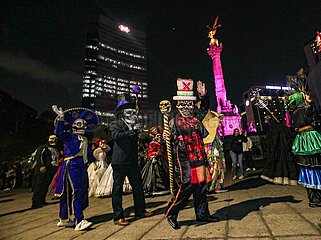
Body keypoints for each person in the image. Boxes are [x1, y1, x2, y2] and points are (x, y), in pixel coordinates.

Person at [164, 79, 219, 230]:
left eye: (189, 104)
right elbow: (168, 139)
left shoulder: (196, 117)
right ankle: (171, 213)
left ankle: (202, 215)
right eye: (183, 104)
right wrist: (166, 136)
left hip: (199, 157)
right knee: (186, 186)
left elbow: (205, 107)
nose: (187, 107)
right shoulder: (173, 121)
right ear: (178, 105)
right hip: (185, 160)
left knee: (201, 187)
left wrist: (203, 96)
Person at [52, 105, 99, 231]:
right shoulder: (69, 136)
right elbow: (58, 132)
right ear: (73, 125)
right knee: (76, 191)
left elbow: (88, 154)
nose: (82, 126)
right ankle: (79, 220)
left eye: (84, 124)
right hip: (72, 165)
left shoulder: (85, 139)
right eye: (79, 123)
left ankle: (65, 219)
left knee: (83, 190)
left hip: (82, 166)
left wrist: (94, 162)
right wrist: (61, 118)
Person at [110, 94, 152, 226]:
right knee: (117, 189)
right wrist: (132, 132)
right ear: (123, 114)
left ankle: (140, 210)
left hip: (132, 160)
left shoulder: (135, 126)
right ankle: (118, 216)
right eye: (129, 112)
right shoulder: (115, 124)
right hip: (120, 161)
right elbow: (115, 136)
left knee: (138, 187)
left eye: (133, 112)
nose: (133, 114)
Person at [288, 69, 321, 208]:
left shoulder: (294, 111)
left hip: (302, 140)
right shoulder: (305, 109)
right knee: (314, 167)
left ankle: (313, 199)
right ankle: (316, 198)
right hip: (310, 139)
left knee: (309, 169)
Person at [31, 135, 59, 209]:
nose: (54, 141)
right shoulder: (43, 147)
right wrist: (41, 165)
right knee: (39, 185)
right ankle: (36, 202)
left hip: (50, 170)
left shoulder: (55, 149)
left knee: (45, 185)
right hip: (42, 170)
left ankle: (42, 200)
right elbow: (39, 156)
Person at [202, 110, 227, 193]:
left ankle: (215, 186)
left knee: (216, 169)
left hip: (214, 154)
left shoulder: (215, 137)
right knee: (216, 169)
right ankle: (213, 187)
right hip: (213, 155)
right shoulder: (212, 140)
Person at [141, 126, 169, 196]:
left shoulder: (161, 143)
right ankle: (156, 187)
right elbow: (150, 153)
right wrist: (156, 154)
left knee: (163, 172)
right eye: (157, 136)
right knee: (155, 173)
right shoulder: (153, 143)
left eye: (160, 135)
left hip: (161, 160)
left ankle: (164, 186)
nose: (159, 137)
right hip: (155, 161)